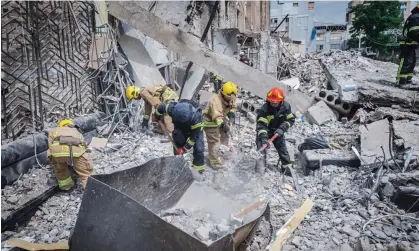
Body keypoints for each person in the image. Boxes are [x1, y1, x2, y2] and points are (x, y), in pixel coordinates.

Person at [156, 100, 206, 173]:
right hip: (180, 126)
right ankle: (178, 164)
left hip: (195, 128)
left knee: (199, 148)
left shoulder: (196, 119)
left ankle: (198, 169)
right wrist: (156, 115)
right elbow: (160, 107)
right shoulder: (172, 108)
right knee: (177, 138)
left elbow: (193, 138)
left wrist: (184, 148)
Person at [256, 87, 295, 172]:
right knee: (261, 152)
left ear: (281, 101)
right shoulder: (264, 110)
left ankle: (287, 170)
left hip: (278, 132)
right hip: (265, 132)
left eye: (275, 102)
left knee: (283, 151)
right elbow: (261, 126)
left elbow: (290, 120)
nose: (273, 104)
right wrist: (264, 139)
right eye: (271, 102)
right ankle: (260, 172)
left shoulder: (286, 107)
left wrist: (282, 129)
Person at [48, 119, 93, 190]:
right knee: (85, 172)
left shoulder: (53, 131)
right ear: (71, 125)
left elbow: (50, 146)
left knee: (60, 168)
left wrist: (54, 159)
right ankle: (91, 190)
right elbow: (83, 145)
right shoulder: (76, 131)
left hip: (57, 153)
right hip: (75, 152)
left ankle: (66, 186)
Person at [203, 81, 237, 169]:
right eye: (229, 97)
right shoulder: (215, 101)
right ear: (223, 93)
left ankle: (223, 153)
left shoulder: (230, 96)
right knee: (215, 142)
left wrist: (231, 114)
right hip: (210, 121)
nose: (231, 99)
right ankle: (214, 161)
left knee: (225, 136)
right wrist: (224, 126)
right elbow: (218, 118)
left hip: (222, 118)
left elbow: (233, 105)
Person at [397, 4, 419, 88]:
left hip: (412, 44)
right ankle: (401, 82)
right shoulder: (416, 17)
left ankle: (408, 80)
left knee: (412, 63)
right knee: (406, 62)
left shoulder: (415, 16)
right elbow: (414, 32)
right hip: (407, 44)